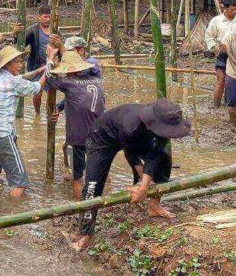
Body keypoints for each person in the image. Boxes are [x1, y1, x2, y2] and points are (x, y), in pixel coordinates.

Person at [72, 100, 192, 252]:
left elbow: (155, 155)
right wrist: (144, 184)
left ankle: (154, 206)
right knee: (92, 186)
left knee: (164, 159)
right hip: (102, 138)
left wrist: (144, 187)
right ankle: (85, 234)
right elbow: (131, 154)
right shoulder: (131, 125)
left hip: (138, 139)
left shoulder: (162, 126)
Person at [0, 45, 46, 198]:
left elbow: (20, 78)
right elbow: (37, 88)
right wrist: (48, 70)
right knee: (20, 182)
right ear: (7, 64)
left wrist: (39, 70)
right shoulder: (13, 82)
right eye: (16, 62)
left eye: (20, 61)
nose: (20, 65)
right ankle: (11, 214)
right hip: (2, 135)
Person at [44, 44, 106, 199]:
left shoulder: (69, 83)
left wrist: (50, 58)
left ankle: (80, 205)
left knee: (76, 177)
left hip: (77, 138)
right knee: (95, 170)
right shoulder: (96, 81)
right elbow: (79, 99)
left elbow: (48, 77)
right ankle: (95, 198)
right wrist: (59, 107)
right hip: (99, 135)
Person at [24, 5, 62, 116]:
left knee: (51, 94)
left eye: (49, 17)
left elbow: (62, 47)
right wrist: (15, 35)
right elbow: (21, 43)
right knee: (37, 93)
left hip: (52, 67)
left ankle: (49, 115)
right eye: (45, 17)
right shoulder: (32, 30)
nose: (48, 19)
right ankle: (37, 114)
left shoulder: (56, 30)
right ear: (39, 17)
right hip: (36, 66)